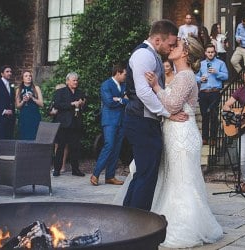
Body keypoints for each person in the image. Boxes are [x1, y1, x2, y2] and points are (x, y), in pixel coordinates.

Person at [117, 36, 223, 248]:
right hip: (173, 130)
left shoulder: (185, 76)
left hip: (182, 133)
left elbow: (174, 105)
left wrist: (156, 86)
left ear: (185, 53)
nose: (172, 47)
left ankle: (183, 225)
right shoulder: (178, 75)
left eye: (177, 46)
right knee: (170, 178)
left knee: (181, 180)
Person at [122, 19, 188, 211]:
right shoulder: (144, 54)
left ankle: (128, 216)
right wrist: (167, 113)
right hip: (140, 121)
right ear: (158, 39)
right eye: (170, 44)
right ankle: (138, 222)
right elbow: (143, 92)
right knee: (146, 174)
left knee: (144, 172)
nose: (171, 47)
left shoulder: (151, 54)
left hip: (144, 121)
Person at [90, 64, 128, 186]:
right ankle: (95, 174)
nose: (125, 76)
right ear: (118, 73)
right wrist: (122, 100)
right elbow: (109, 102)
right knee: (109, 146)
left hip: (122, 121)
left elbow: (129, 99)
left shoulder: (124, 85)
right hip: (110, 121)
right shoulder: (106, 85)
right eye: (124, 74)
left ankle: (110, 176)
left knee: (116, 149)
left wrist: (120, 99)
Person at [53, 72, 86, 177]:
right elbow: (57, 105)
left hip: (76, 123)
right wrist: (71, 104)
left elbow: (84, 106)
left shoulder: (80, 92)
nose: (76, 82)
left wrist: (82, 104)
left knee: (75, 147)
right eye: (73, 80)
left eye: (77, 80)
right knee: (60, 147)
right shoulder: (60, 92)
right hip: (64, 123)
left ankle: (75, 170)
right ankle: (57, 169)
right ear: (67, 81)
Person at [196, 43, 229, 145]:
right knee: (204, 115)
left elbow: (226, 76)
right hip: (203, 92)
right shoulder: (200, 64)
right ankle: (205, 138)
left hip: (215, 92)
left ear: (215, 53)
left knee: (214, 116)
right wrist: (200, 79)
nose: (210, 54)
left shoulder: (220, 63)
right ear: (205, 53)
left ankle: (213, 139)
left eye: (212, 52)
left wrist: (216, 73)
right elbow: (194, 76)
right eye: (208, 52)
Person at [15, 71, 43, 140]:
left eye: (30, 76)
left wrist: (33, 98)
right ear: (22, 79)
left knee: (34, 135)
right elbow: (17, 106)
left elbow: (41, 104)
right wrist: (23, 101)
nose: (28, 77)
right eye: (26, 76)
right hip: (24, 115)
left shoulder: (36, 88)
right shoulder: (19, 89)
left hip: (34, 115)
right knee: (24, 135)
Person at [49, 83, 69, 173]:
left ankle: (63, 166)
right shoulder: (55, 99)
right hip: (56, 123)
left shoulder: (67, 100)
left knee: (64, 145)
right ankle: (57, 165)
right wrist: (52, 112)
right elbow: (50, 110)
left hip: (65, 124)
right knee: (56, 144)